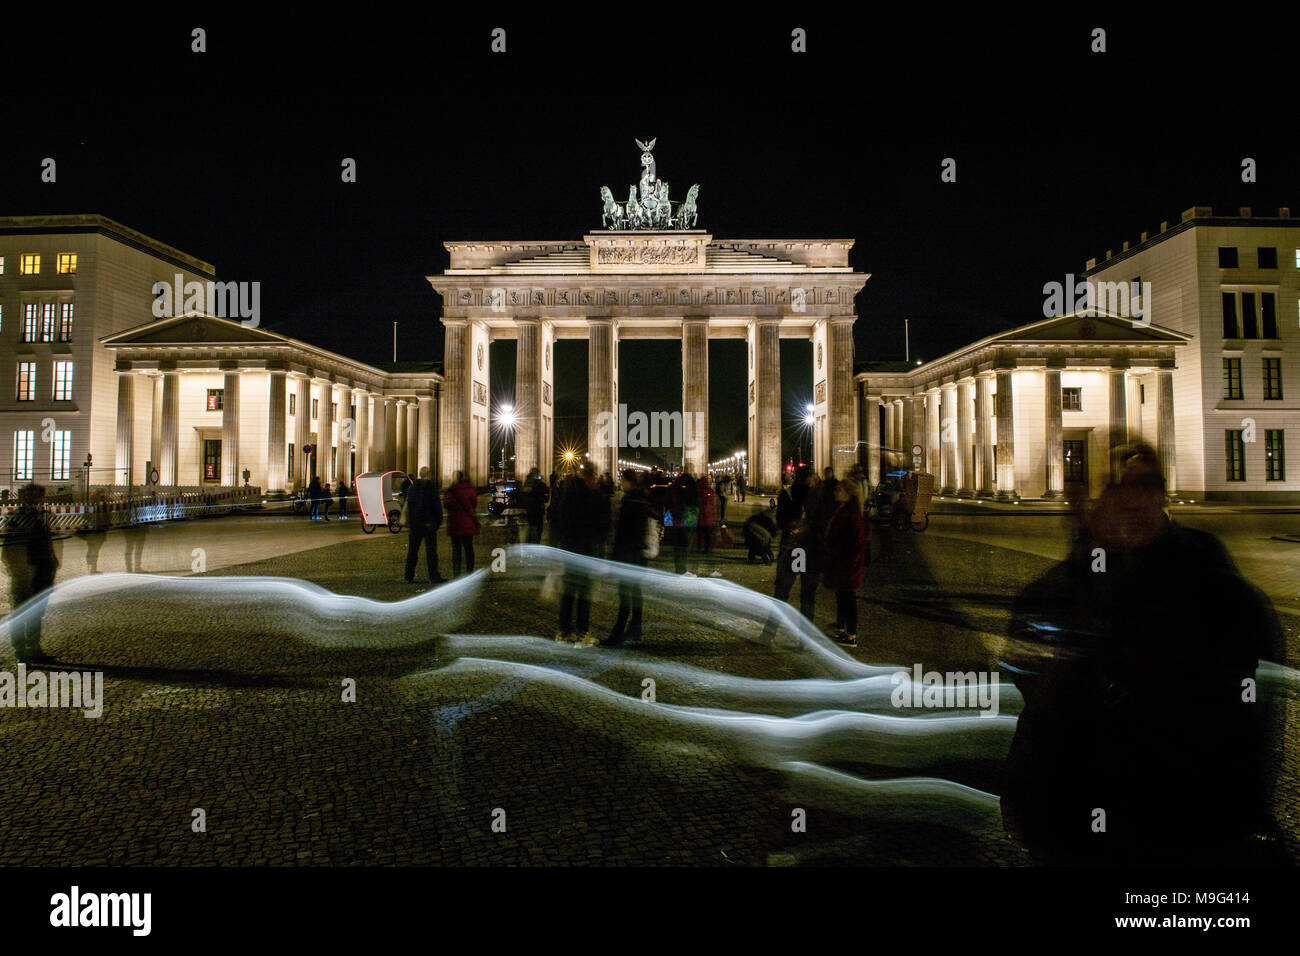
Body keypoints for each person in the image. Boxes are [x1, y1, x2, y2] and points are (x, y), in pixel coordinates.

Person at [1001, 445, 1283, 865]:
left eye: (1147, 485)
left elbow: (1252, 707)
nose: (1133, 500)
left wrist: (1245, 807)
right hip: (1083, 820)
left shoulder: (1213, 581)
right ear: (1091, 502)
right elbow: (1036, 707)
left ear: (1163, 495)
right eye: (1117, 486)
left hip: (1187, 820)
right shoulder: (1055, 592)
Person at [1, 484, 59, 664]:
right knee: (22, 611)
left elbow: (46, 542)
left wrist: (52, 560)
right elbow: (10, 549)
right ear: (25, 497)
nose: (37, 500)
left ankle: (33, 649)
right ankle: (21, 651)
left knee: (36, 612)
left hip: (41, 570)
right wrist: (19, 569)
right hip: (26, 572)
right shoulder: (17, 518)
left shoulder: (41, 517)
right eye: (34, 496)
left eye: (39, 496)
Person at [555, 463, 610, 644]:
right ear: (591, 476)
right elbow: (602, 526)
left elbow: (559, 521)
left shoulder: (568, 493)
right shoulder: (595, 496)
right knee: (583, 594)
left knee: (569, 592)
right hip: (585, 550)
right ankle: (582, 632)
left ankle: (563, 631)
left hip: (569, 548)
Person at [603, 470, 652, 646]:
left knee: (625, 595)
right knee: (635, 592)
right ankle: (635, 628)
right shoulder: (641, 500)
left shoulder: (630, 502)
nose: (620, 484)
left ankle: (617, 634)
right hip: (638, 554)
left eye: (622, 480)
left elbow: (623, 533)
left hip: (628, 555)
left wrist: (615, 556)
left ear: (629, 482)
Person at [822, 479, 868, 646]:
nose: (836, 492)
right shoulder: (844, 508)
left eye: (839, 490)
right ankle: (842, 628)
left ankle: (851, 635)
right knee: (843, 597)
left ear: (847, 493)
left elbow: (857, 541)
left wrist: (845, 559)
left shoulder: (852, 513)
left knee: (848, 599)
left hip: (847, 564)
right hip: (842, 562)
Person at [773, 465, 819, 620]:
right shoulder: (817, 496)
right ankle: (805, 638)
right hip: (811, 550)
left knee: (782, 592)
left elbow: (780, 522)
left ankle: (770, 633)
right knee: (807, 595)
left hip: (791, 548)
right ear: (810, 478)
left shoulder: (786, 494)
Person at [404, 466, 444, 584]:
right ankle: (433, 576)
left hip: (415, 524)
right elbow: (436, 506)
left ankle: (408, 576)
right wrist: (438, 521)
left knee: (412, 551)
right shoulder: (431, 488)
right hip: (428, 523)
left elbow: (407, 506)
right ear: (429, 475)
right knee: (431, 552)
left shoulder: (412, 488)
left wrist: (411, 521)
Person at [443, 471, 480, 576]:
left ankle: (456, 572)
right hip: (467, 523)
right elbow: (474, 504)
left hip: (454, 523)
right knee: (469, 548)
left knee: (456, 549)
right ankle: (469, 571)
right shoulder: (469, 489)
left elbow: (446, 505)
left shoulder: (450, 491)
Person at [523, 469, 549, 544]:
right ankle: (535, 544)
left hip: (530, 508)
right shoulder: (538, 484)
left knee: (531, 527)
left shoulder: (527, 483)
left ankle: (530, 543)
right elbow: (545, 492)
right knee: (537, 528)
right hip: (537, 509)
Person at [695, 475, 717, 554]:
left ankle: (699, 547)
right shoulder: (711, 491)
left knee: (700, 534)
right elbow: (714, 505)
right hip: (709, 517)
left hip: (700, 516)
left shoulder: (697, 492)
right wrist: (715, 517)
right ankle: (707, 548)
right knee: (708, 534)